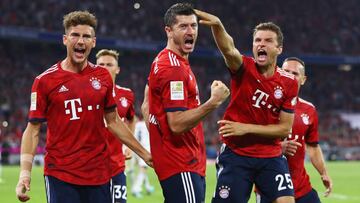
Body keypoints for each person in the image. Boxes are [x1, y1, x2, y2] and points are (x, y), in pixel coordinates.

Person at [15, 11, 152, 203]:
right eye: (75, 35)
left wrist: (144, 154)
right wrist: (24, 174)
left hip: (99, 174)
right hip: (61, 175)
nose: (81, 41)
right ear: (65, 39)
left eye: (86, 36)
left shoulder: (103, 77)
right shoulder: (45, 81)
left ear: (93, 42)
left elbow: (113, 121)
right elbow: (33, 129)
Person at [196, 10, 299, 203]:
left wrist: (245, 128)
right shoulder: (243, 67)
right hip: (237, 155)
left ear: (279, 49)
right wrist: (218, 25)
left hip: (271, 156)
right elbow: (228, 49)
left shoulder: (290, 82)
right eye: (257, 40)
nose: (261, 44)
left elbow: (284, 129)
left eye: (268, 41)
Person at [142, 3, 230, 203]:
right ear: (169, 31)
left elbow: (146, 104)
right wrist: (213, 102)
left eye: (193, 26)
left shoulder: (164, 60)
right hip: (182, 163)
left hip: (178, 162)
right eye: (183, 26)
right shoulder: (174, 69)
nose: (190, 31)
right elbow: (177, 124)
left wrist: (160, 142)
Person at [255, 57, 333, 203]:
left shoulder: (309, 109)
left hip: (302, 187)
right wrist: (277, 148)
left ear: (303, 79)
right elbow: (250, 141)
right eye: (286, 71)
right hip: (270, 187)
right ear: (278, 73)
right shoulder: (263, 103)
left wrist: (324, 173)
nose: (290, 76)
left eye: (295, 73)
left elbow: (313, 146)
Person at [96, 49, 136, 203]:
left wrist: (128, 146)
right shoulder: (85, 93)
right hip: (91, 168)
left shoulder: (127, 95)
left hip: (116, 167)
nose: (104, 68)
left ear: (117, 69)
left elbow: (131, 119)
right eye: (101, 64)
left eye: (109, 64)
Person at [131, 117, 154, 198]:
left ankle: (147, 187)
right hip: (144, 149)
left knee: (142, 169)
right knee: (143, 169)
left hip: (136, 149)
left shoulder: (137, 124)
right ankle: (136, 189)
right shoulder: (147, 124)